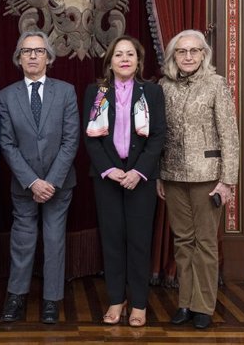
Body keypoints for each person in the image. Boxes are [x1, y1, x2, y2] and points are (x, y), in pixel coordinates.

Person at [156, 29, 239, 330]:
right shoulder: (163, 86)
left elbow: (230, 134)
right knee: (183, 242)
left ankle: (203, 306)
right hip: (173, 175)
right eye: (182, 51)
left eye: (194, 51)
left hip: (208, 177)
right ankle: (185, 303)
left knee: (204, 243)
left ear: (204, 54)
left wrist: (227, 181)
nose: (188, 56)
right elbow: (158, 136)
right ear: (173, 56)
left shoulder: (216, 85)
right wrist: (159, 175)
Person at [82, 35, 166, 327]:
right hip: (107, 179)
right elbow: (91, 137)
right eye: (118, 55)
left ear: (138, 60)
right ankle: (117, 299)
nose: (125, 59)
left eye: (130, 54)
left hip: (140, 179)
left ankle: (139, 303)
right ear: (110, 61)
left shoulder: (151, 93)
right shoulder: (97, 91)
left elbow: (157, 137)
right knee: (113, 241)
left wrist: (138, 171)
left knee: (139, 242)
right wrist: (110, 169)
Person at [0, 31, 79, 325]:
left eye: (38, 51)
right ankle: (16, 297)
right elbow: (6, 143)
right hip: (24, 184)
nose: (32, 56)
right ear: (18, 58)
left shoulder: (66, 91)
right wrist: (33, 181)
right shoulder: (6, 96)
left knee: (55, 240)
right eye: (26, 51)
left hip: (59, 183)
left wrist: (51, 181)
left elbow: (71, 140)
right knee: (22, 240)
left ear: (49, 57)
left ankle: (51, 299)